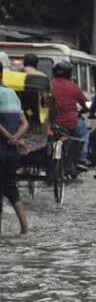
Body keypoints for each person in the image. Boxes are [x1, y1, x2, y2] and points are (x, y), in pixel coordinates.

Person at [0, 63, 29, 234]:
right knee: (11, 188)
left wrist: (9, 138)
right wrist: (16, 138)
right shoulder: (12, 94)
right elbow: (25, 123)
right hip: (11, 152)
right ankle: (25, 228)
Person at [50, 60, 89, 167]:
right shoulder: (74, 87)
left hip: (52, 124)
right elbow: (87, 104)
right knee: (84, 133)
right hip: (71, 123)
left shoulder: (49, 86)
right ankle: (82, 159)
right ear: (69, 73)